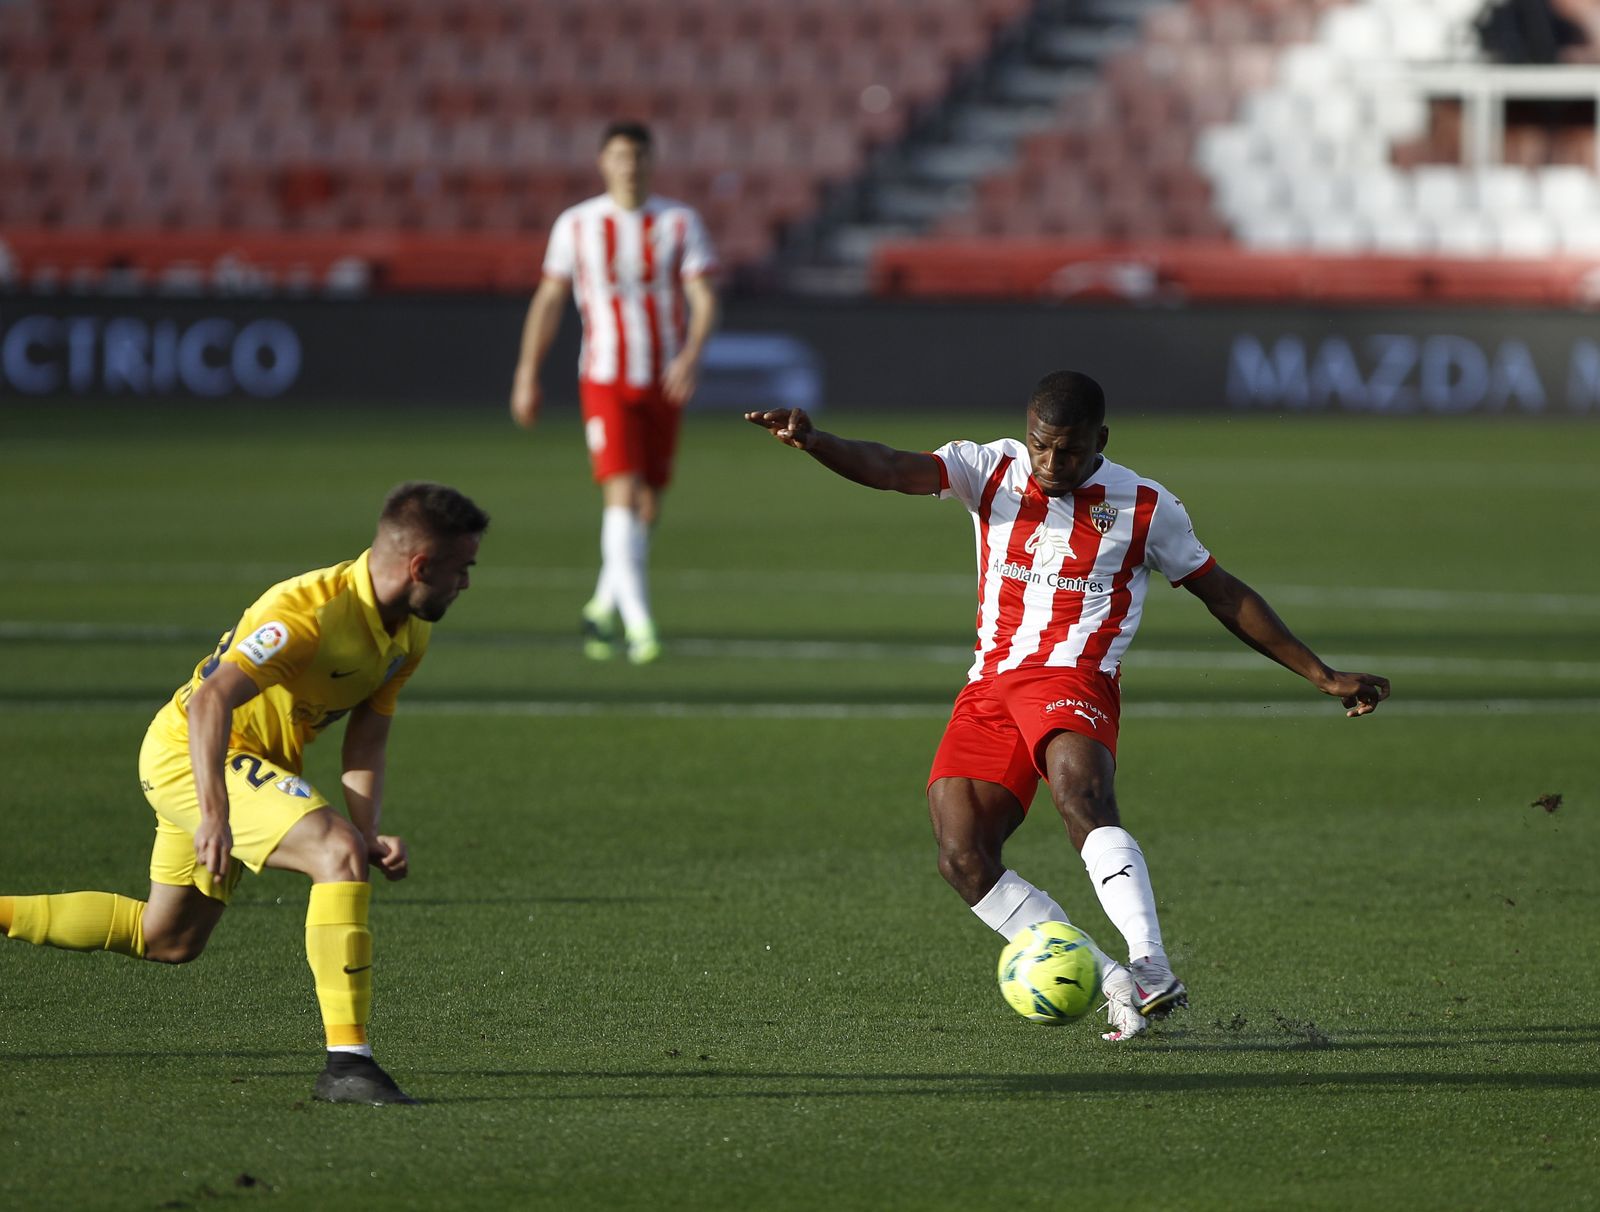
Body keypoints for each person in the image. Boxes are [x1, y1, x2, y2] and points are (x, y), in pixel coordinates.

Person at [746, 371, 1390, 1041]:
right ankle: (1114, 980)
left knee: (1081, 797)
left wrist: (1322, 675)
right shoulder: (989, 468)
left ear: (1099, 440)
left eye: (1071, 450)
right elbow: (890, 467)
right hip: (990, 685)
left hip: (1075, 676)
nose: (1052, 463)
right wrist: (817, 442)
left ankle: (1150, 963)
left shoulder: (1145, 506)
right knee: (962, 857)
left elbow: (1223, 594)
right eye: (1042, 445)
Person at [0, 482, 490, 1102]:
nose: (466, 582)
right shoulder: (307, 612)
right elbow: (211, 700)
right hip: (193, 755)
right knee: (333, 852)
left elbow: (367, 739)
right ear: (420, 567)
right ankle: (348, 1065)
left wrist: (369, 831)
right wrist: (215, 812)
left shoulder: (408, 631)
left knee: (168, 938)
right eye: (461, 568)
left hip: (235, 767)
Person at [510, 119, 719, 664]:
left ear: (652, 161)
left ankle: (603, 606)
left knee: (648, 504)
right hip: (605, 377)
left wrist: (692, 354)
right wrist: (527, 372)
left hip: (664, 379)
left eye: (639, 156)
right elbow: (549, 300)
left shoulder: (678, 221)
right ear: (603, 162)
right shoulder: (577, 224)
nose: (630, 166)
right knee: (622, 494)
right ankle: (641, 626)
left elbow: (703, 296)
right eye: (621, 156)